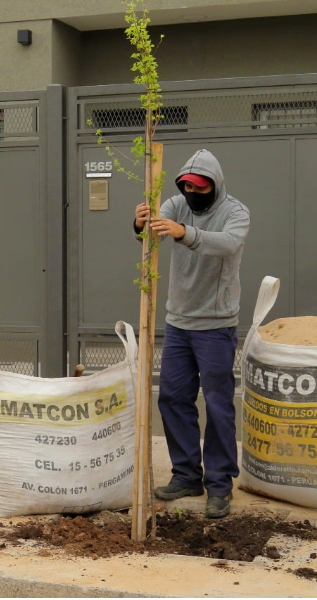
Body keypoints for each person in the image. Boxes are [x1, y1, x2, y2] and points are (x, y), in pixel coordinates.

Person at [133, 148, 250, 519]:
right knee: (172, 397)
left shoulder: (235, 212)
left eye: (200, 188)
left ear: (215, 185)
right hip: (178, 322)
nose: (193, 194)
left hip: (216, 325)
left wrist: (186, 232)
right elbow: (151, 238)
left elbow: (227, 244)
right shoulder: (174, 203)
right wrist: (140, 225)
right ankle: (186, 475)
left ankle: (219, 485)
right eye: (187, 188)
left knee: (217, 405)